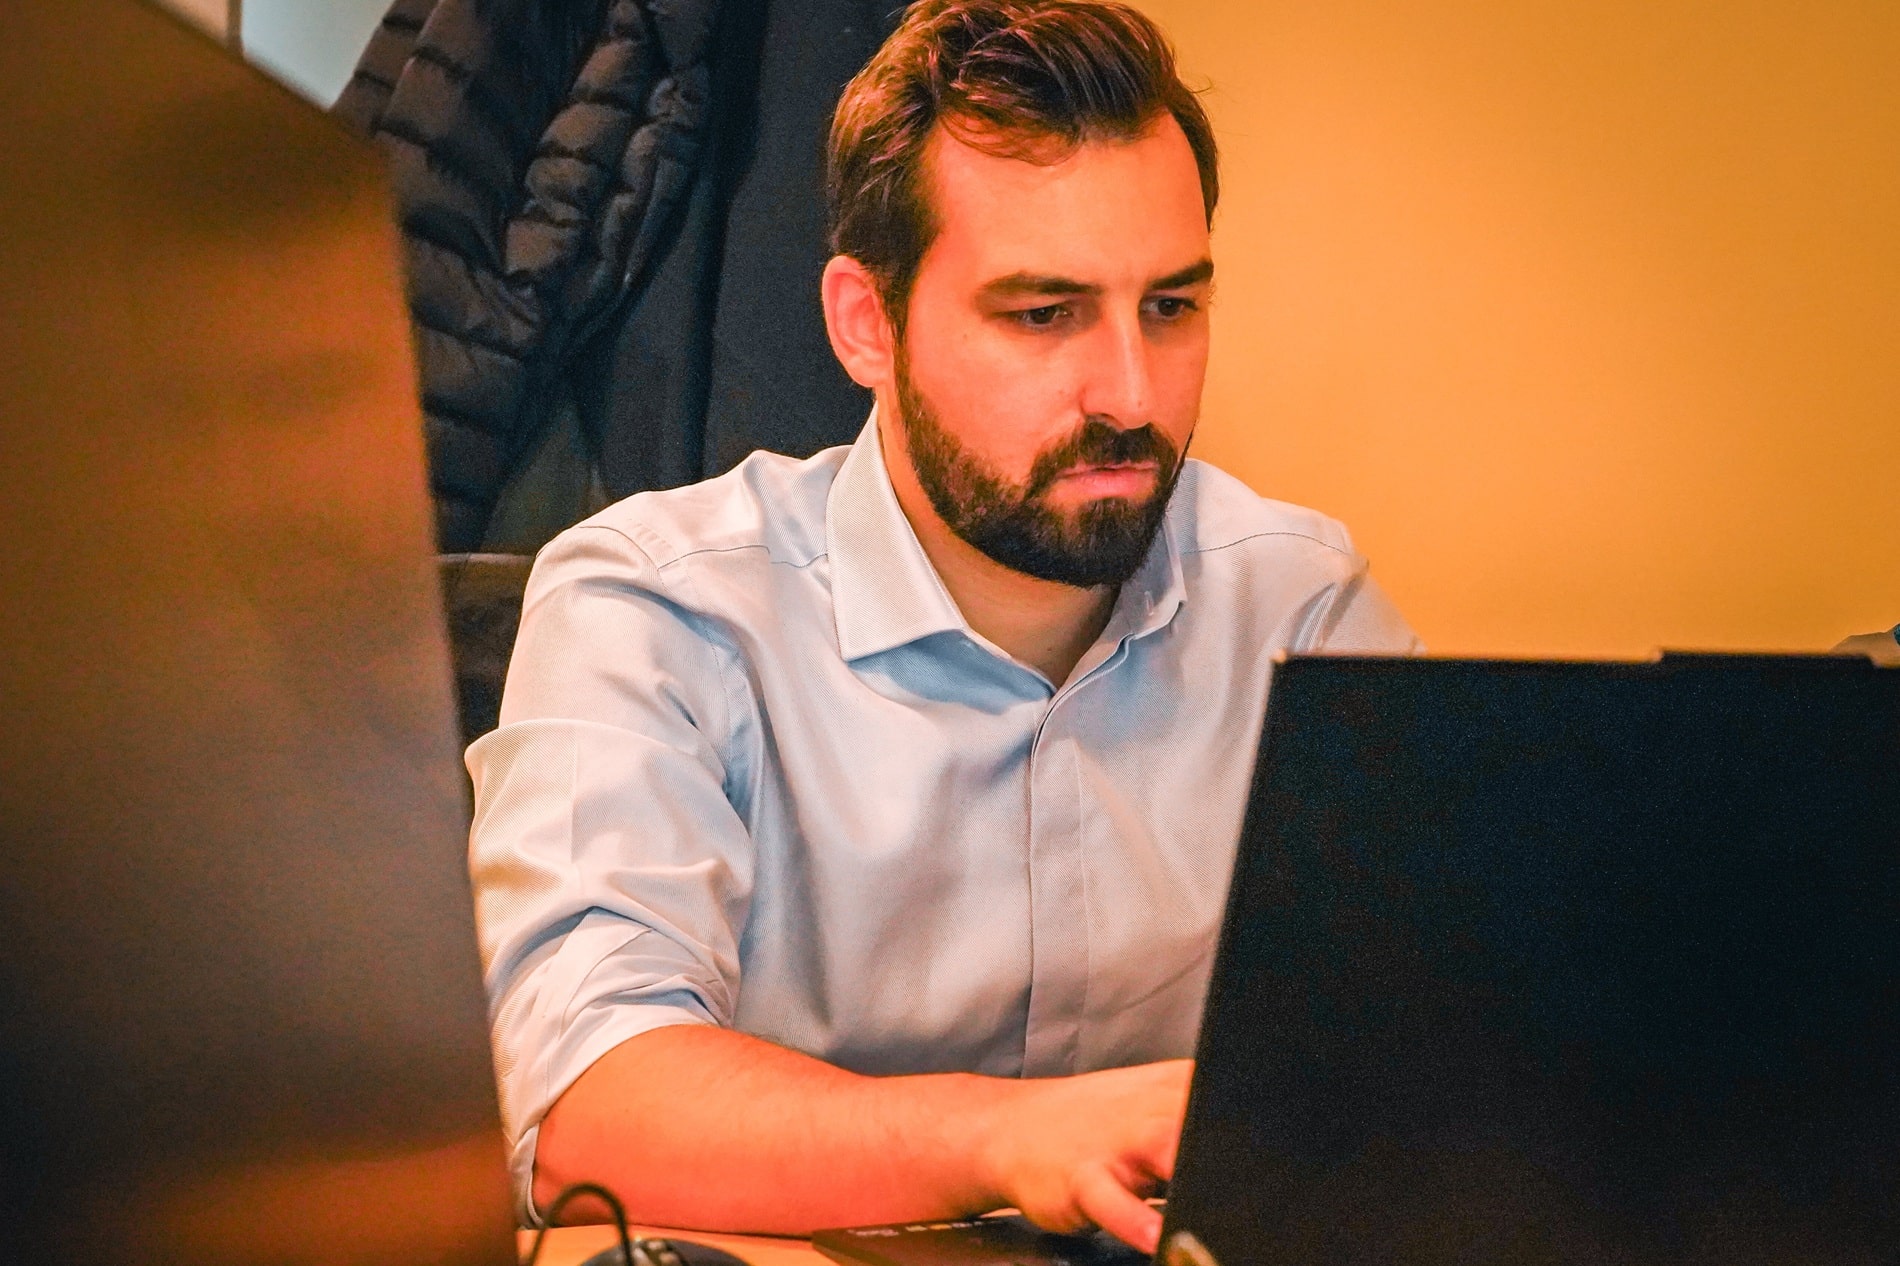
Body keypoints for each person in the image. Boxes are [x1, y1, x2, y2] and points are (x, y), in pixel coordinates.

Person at [466, 0, 1421, 1251]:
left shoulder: (1299, 605)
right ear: (866, 323)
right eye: (1044, 314)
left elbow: (1450, 1036)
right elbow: (583, 1096)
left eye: (1172, 309)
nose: (1131, 395)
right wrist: (1009, 1140)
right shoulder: (658, 607)